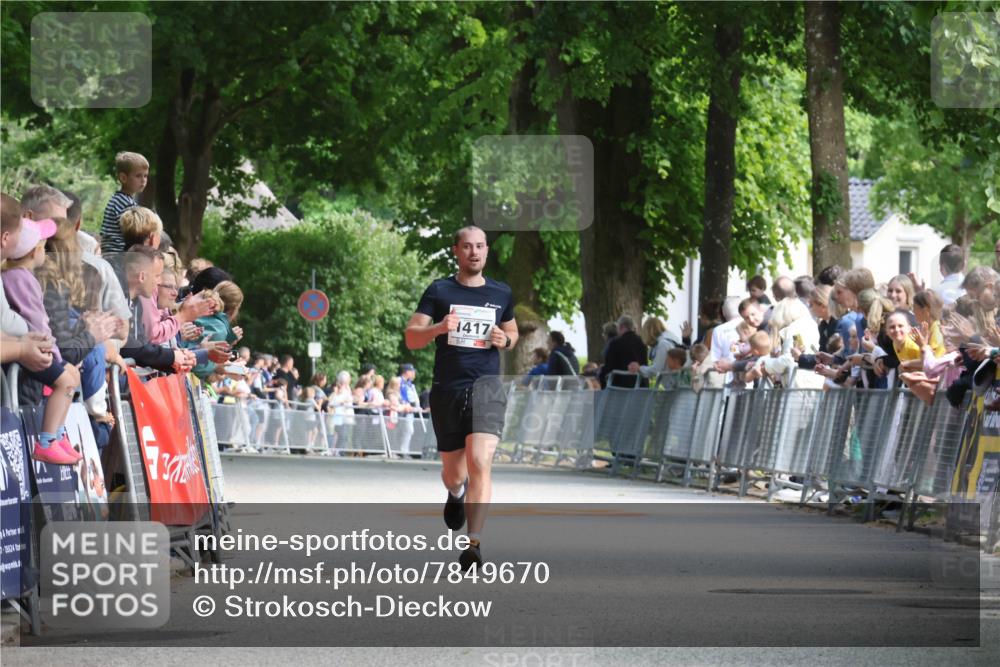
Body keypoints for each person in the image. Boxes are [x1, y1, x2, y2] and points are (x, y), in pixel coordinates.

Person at [405, 225, 517, 571]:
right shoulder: (439, 290)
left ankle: (475, 543)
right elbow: (412, 336)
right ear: (456, 250)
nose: (474, 252)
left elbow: (511, 331)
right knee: (454, 473)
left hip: (487, 388)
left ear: (486, 251)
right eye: (467, 246)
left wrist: (505, 339)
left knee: (480, 461)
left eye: (480, 246)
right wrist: (438, 328)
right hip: (448, 389)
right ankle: (456, 494)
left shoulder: (501, 292)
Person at [1, 213, 82, 465]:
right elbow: (36, 320)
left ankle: (57, 436)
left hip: (27, 346)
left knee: (71, 380)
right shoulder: (21, 278)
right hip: (34, 349)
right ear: (35, 251)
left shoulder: (15, 276)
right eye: (44, 246)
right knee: (66, 383)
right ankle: (48, 440)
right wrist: (54, 355)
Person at [100, 151, 148, 255]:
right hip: (119, 255)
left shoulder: (118, 199)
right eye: (138, 176)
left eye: (145, 176)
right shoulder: (126, 204)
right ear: (123, 178)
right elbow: (134, 234)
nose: (143, 180)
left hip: (110, 254)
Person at [599, 314, 648, 388]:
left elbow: (609, 367)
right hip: (640, 385)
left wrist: (600, 373)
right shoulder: (642, 342)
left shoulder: (616, 343)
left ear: (621, 327)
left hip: (621, 387)